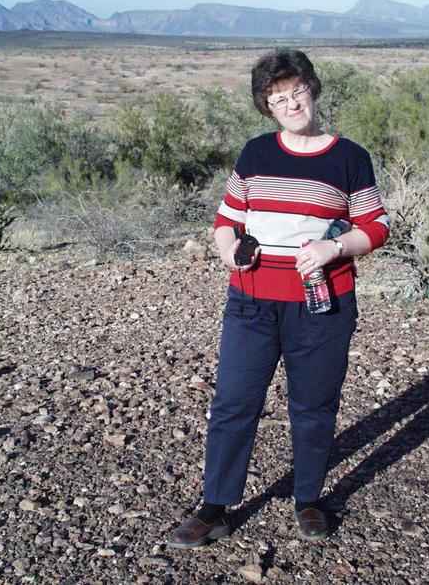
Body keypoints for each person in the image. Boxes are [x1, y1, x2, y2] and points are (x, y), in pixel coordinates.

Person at [167, 48, 389, 549]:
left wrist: (336, 245)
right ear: (267, 107)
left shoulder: (349, 157)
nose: (292, 104)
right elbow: (228, 220)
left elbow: (375, 226)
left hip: (322, 302)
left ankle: (308, 499)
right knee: (233, 403)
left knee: (313, 405)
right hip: (251, 300)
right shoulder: (256, 154)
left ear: (313, 90)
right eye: (278, 98)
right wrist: (229, 253)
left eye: (298, 92)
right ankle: (214, 508)